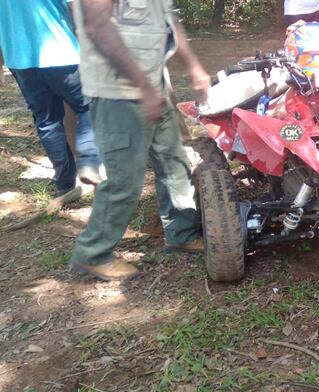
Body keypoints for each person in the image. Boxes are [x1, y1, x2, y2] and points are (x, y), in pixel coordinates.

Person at [69, 0, 210, 281]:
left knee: (175, 163)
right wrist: (143, 87)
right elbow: (97, 27)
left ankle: (181, 233)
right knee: (124, 181)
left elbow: (170, 23)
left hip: (153, 90)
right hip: (118, 96)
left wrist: (193, 66)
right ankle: (92, 254)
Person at [0, 0, 103, 200]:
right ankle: (89, 161)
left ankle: (64, 184)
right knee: (92, 105)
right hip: (61, 51)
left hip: (19, 58)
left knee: (46, 121)